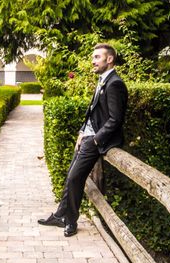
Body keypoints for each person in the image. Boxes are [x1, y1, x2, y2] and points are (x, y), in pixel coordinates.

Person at [38, 43, 128, 236]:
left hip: (97, 140)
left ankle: (70, 221)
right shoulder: (104, 80)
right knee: (71, 174)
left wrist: (95, 139)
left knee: (74, 177)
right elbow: (93, 112)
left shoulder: (115, 84)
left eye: (97, 57)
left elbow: (115, 119)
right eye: (93, 57)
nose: (93, 61)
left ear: (109, 59)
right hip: (87, 136)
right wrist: (81, 131)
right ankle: (61, 214)